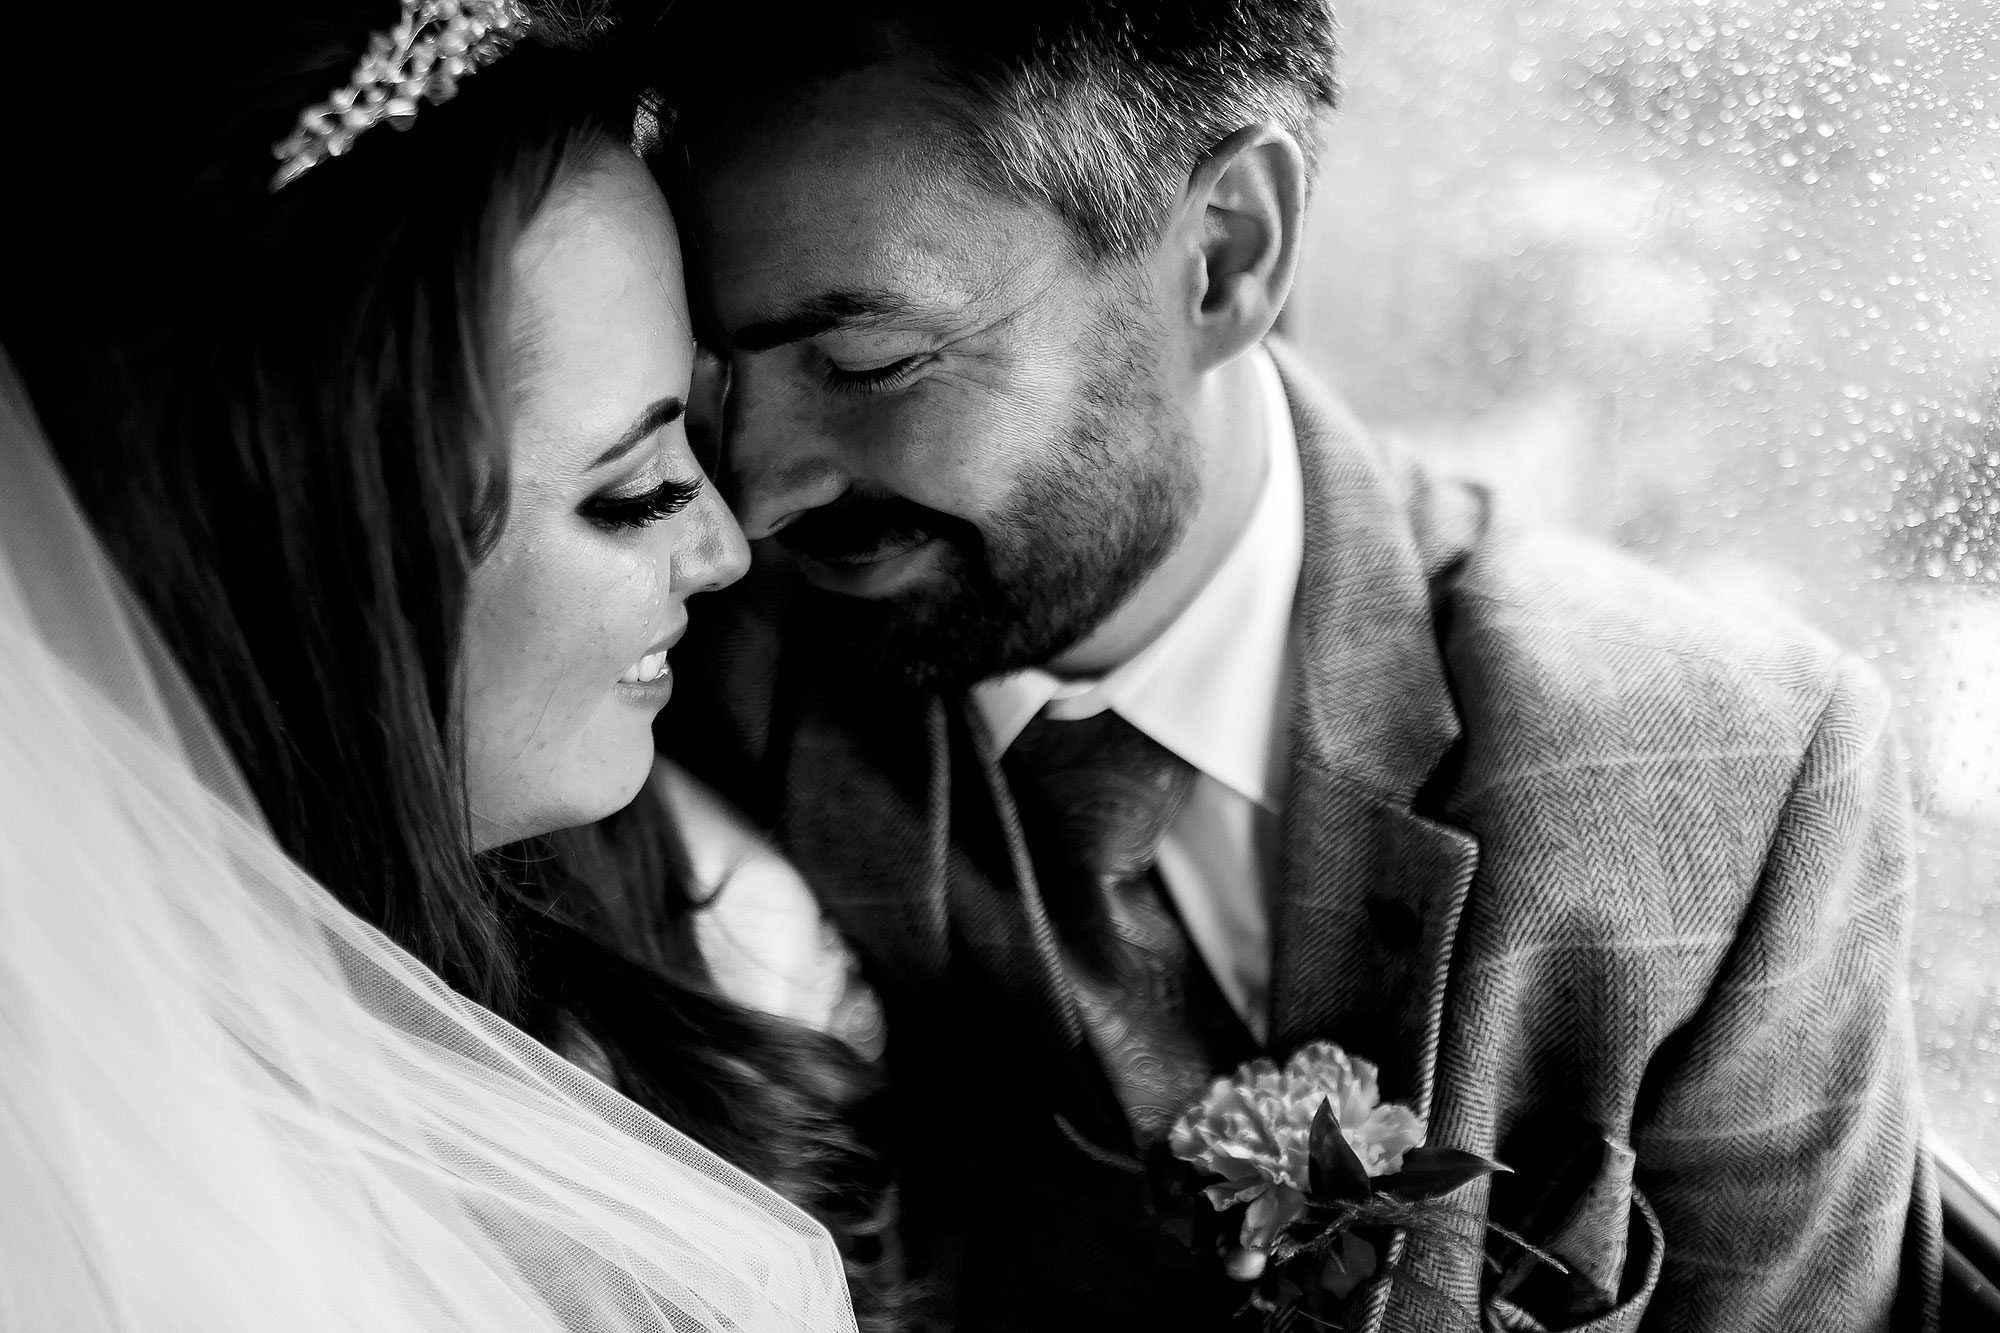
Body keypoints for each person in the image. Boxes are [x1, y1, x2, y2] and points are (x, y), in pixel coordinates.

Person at [652, 2, 1944, 1329]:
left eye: (868, 362)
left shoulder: (1727, 786)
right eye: (706, 377)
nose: (751, 498)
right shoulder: (672, 673)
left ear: (1227, 253)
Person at [0, 0, 888, 1326]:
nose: (726, 547)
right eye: (638, 491)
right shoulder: (97, 1212)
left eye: (696, 443)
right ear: (321, 564)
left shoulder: (707, 908)